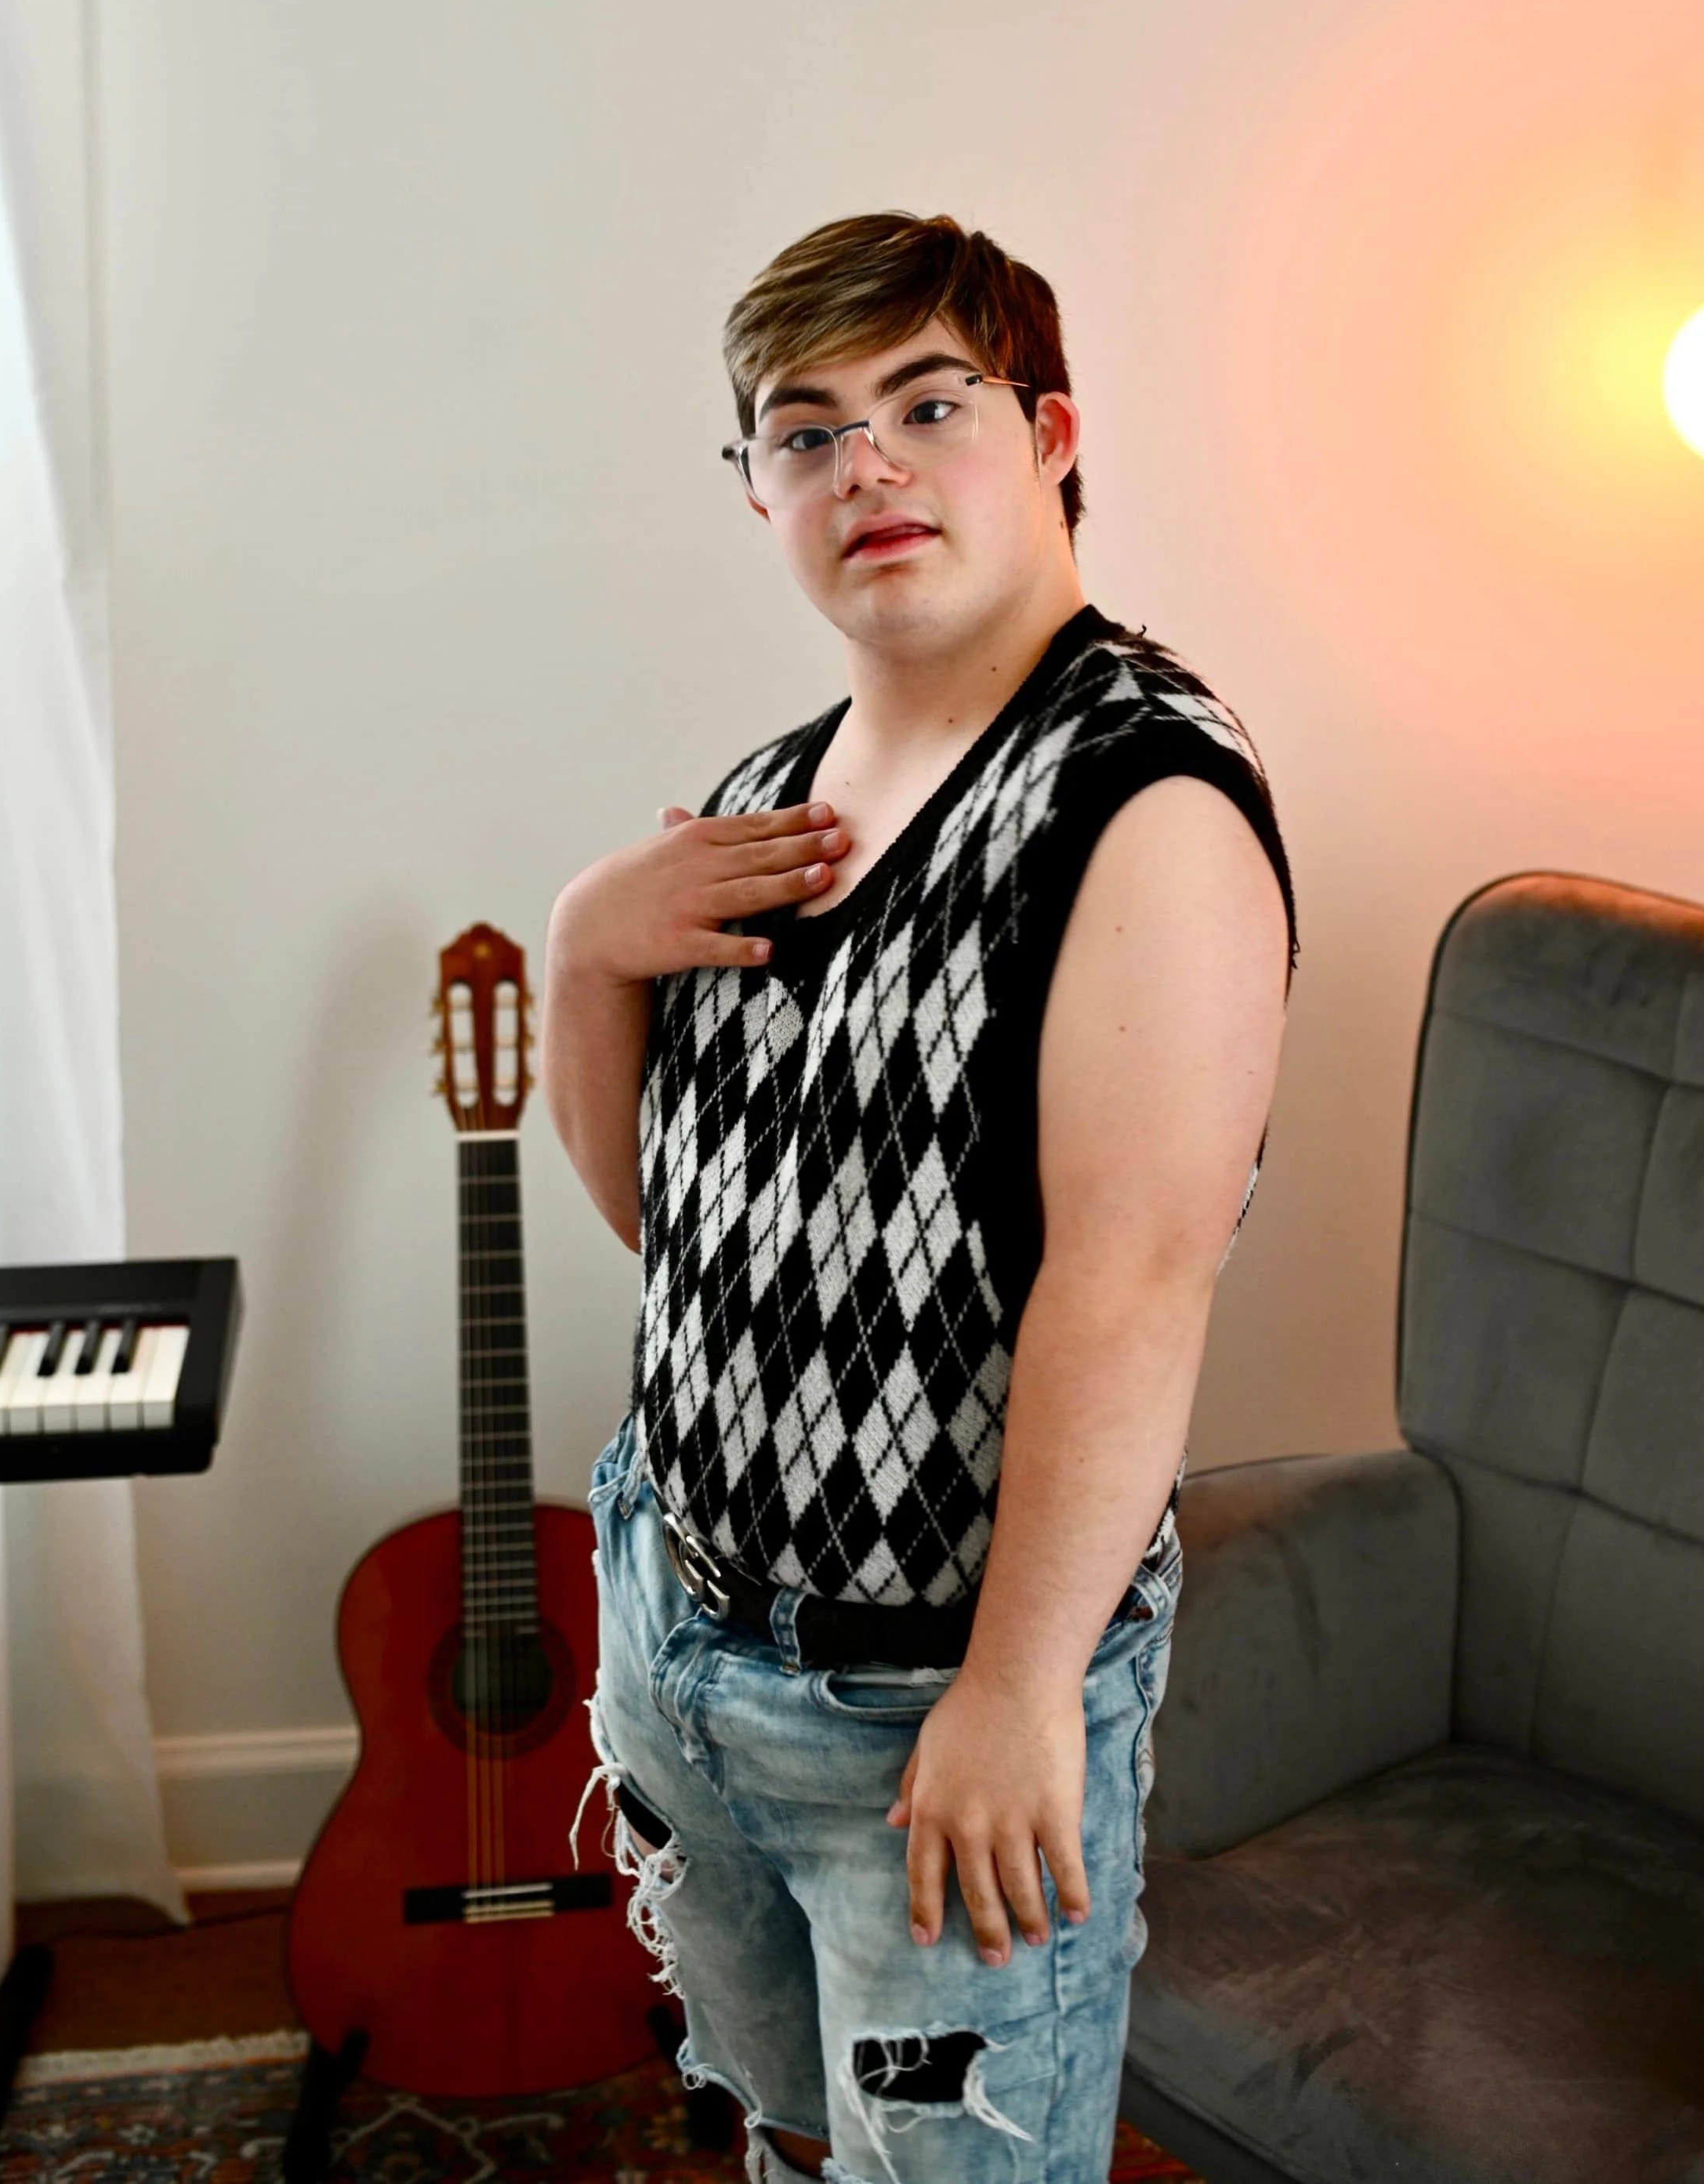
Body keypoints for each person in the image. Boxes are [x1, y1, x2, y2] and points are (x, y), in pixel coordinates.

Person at [542, 210, 1296, 2184]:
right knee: (786, 2139)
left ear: (1048, 434)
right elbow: (676, 1226)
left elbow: (1130, 1282)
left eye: (926, 404)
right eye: (804, 432)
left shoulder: (1137, 799)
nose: (863, 463)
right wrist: (583, 951)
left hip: (924, 1689)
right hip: (677, 1619)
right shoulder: (768, 796)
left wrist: (1020, 1687)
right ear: (759, 491)